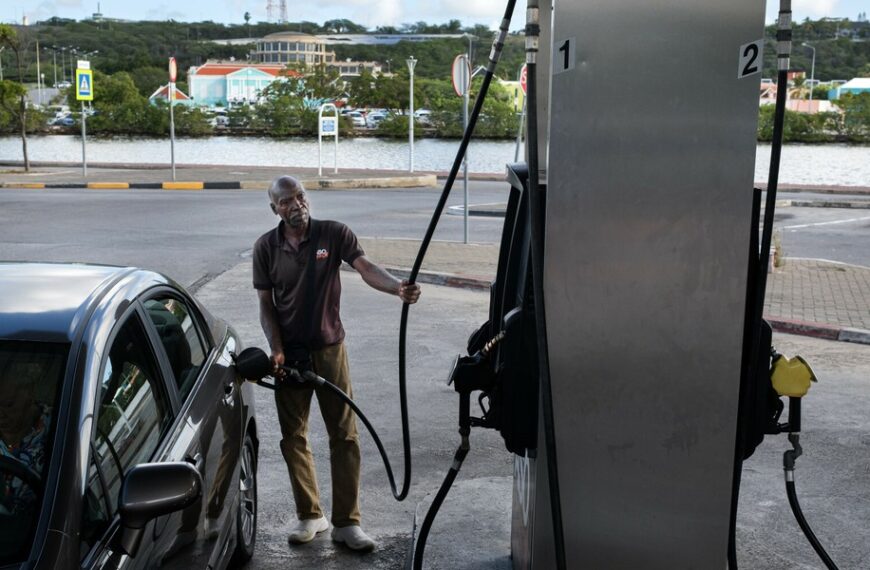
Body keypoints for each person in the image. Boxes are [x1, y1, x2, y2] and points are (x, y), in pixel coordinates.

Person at [253, 175, 421, 552]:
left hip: (330, 349)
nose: (296, 205)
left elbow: (365, 267)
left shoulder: (333, 234)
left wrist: (397, 287)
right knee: (293, 436)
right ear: (274, 209)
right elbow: (266, 306)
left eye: (299, 196)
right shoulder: (265, 247)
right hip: (289, 355)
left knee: (344, 435)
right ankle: (311, 514)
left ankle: (348, 522)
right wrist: (275, 348)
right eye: (286, 201)